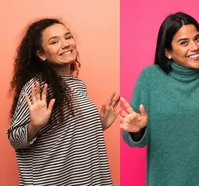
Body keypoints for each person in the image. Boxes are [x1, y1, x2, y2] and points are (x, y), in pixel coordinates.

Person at [119, 12, 199, 185]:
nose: (195, 47)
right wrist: (137, 131)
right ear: (167, 51)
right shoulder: (150, 78)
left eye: (197, 38)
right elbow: (135, 141)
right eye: (184, 42)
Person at [7, 18, 117, 185]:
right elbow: (15, 140)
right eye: (54, 42)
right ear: (41, 54)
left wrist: (98, 124)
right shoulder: (38, 87)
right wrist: (33, 126)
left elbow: (66, 134)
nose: (66, 44)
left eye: (68, 37)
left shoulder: (78, 85)